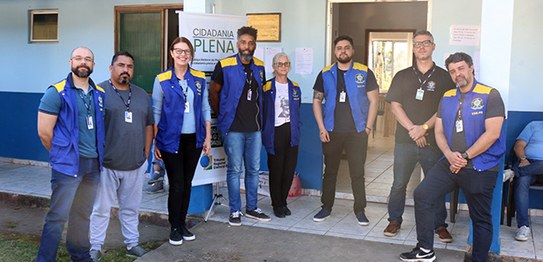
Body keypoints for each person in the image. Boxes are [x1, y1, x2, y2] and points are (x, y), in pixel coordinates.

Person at [400, 52, 505, 262]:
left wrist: (465, 157)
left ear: (471, 68)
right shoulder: (447, 97)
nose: (458, 74)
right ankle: (425, 250)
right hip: (450, 162)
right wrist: (449, 155)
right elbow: (438, 132)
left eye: (461, 68)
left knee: (481, 217)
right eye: (453, 71)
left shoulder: (490, 95)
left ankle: (479, 259)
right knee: (422, 194)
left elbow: (493, 133)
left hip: (480, 166)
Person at [384, 31, 455, 241]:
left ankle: (439, 225)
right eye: (417, 44)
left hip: (434, 142)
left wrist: (423, 128)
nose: (421, 47)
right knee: (399, 183)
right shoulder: (402, 75)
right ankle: (394, 220)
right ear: (413, 48)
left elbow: (445, 108)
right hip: (405, 141)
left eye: (426, 43)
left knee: (435, 184)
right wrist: (414, 131)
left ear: (433, 46)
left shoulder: (444, 77)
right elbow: (395, 106)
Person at [36, 47, 105, 262]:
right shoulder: (56, 92)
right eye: (78, 58)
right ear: (70, 62)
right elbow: (44, 132)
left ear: (93, 65)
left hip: (92, 166)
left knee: (82, 214)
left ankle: (80, 255)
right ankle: (45, 259)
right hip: (67, 167)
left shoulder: (99, 94)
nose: (82, 62)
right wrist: (61, 155)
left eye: (87, 59)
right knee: (57, 217)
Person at [89, 51, 154, 260]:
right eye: (121, 65)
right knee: (100, 209)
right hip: (107, 164)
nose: (125, 69)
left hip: (135, 164)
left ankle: (131, 244)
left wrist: (146, 153)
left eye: (130, 66)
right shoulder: (97, 92)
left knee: (131, 209)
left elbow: (149, 125)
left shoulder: (142, 95)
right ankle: (95, 246)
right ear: (111, 68)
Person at [312, 35, 379, 225]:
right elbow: (317, 100)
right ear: (335, 51)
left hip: (357, 131)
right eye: (339, 48)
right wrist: (321, 127)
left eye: (347, 47)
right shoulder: (325, 74)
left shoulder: (364, 72)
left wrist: (368, 127)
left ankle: (360, 209)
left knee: (357, 172)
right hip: (332, 131)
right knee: (330, 171)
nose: (343, 51)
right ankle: (326, 207)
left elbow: (374, 100)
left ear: (352, 50)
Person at [152, 37, 211, 246]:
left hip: (193, 139)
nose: (182, 54)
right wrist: (155, 143)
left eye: (186, 51)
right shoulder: (162, 79)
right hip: (170, 139)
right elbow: (156, 112)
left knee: (187, 182)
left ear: (191, 54)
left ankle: (183, 223)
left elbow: (205, 108)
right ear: (171, 53)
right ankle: (174, 226)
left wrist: (208, 137)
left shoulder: (199, 78)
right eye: (178, 50)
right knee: (176, 183)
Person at [210, 26, 271, 226]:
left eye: (251, 43)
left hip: (254, 129)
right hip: (233, 129)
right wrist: (222, 115)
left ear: (255, 45)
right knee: (235, 170)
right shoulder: (225, 65)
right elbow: (214, 92)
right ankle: (235, 210)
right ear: (238, 44)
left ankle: (252, 208)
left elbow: (260, 96)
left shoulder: (260, 67)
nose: (247, 46)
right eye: (243, 42)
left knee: (253, 169)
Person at [262, 53, 302, 218]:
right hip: (274, 132)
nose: (283, 66)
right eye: (280, 64)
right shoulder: (266, 87)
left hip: (291, 132)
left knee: (288, 170)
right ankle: (276, 203)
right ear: (274, 66)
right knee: (276, 170)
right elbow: (262, 110)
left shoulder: (295, 87)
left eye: (286, 64)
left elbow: (297, 108)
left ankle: (283, 202)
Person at [511, 121, 543, 241]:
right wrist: (523, 159)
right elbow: (518, 145)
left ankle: (514, 172)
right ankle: (523, 226)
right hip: (529, 164)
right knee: (522, 181)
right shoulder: (534, 125)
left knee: (521, 174)